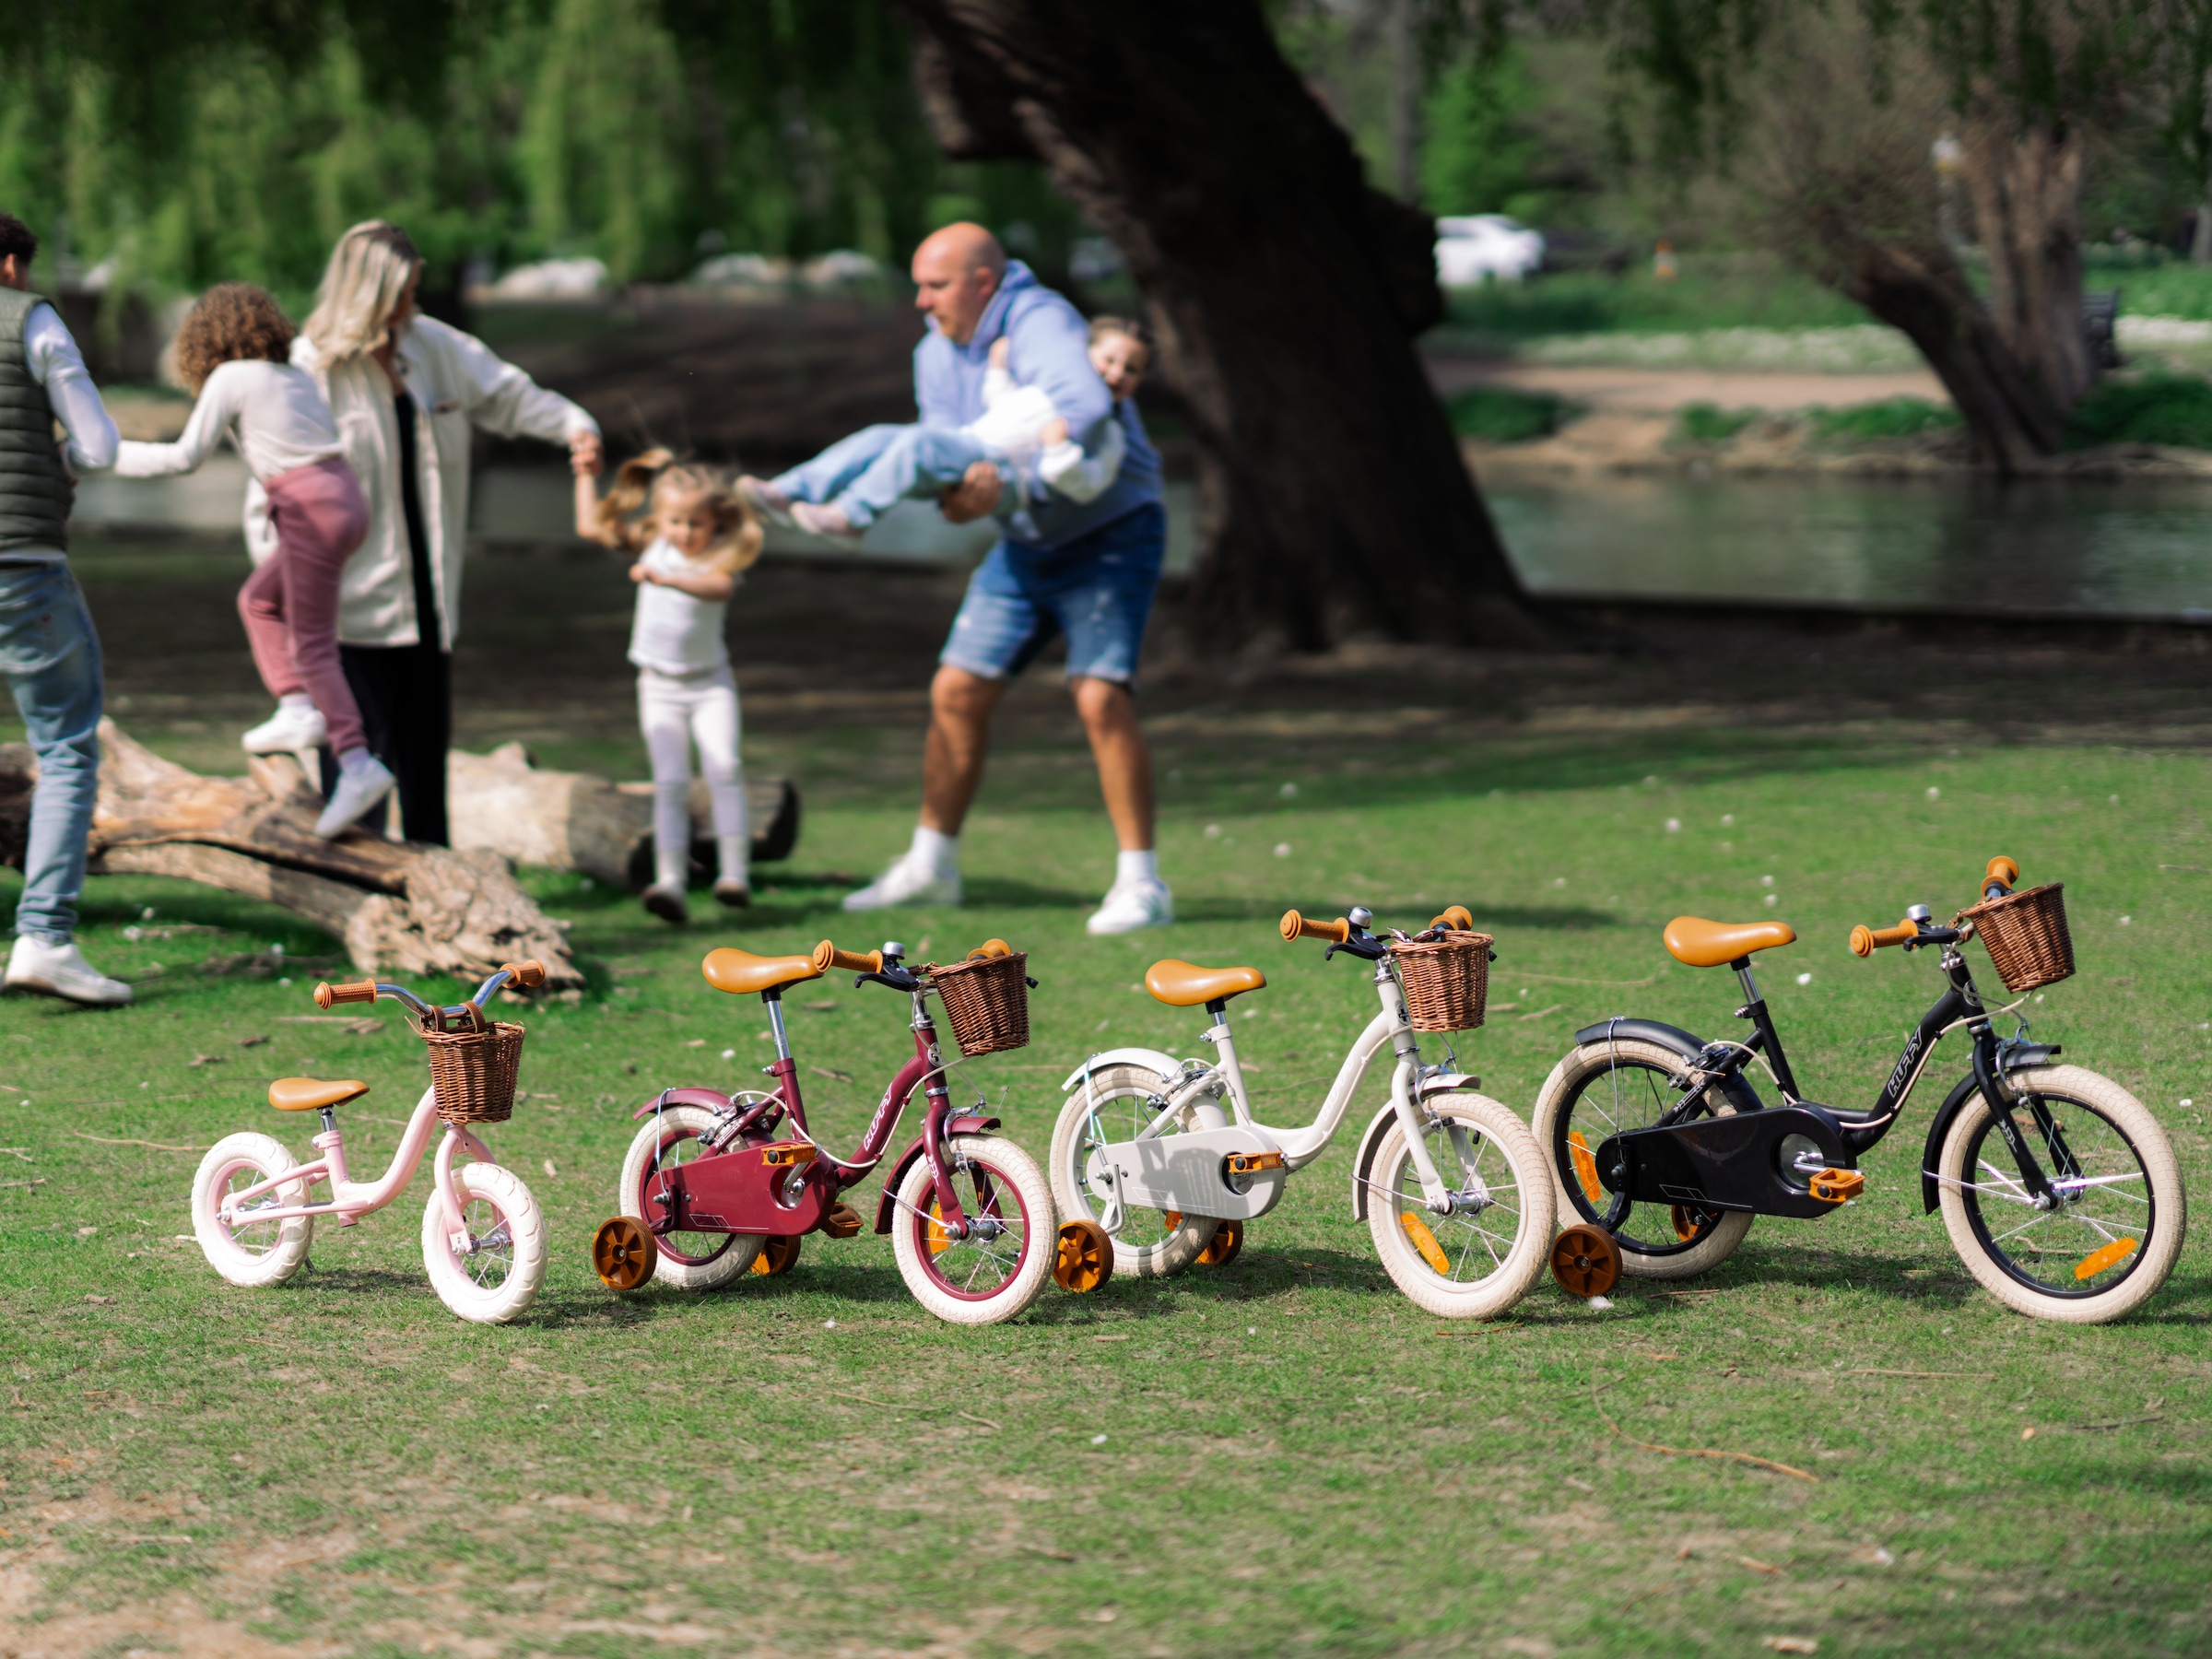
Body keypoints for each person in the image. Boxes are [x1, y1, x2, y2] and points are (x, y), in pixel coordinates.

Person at [841, 227, 1171, 935]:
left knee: (1099, 695)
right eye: (919, 285)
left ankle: (1143, 885)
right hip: (1027, 541)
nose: (921, 300)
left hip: (1112, 533)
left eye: (936, 285)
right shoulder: (933, 354)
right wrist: (962, 499)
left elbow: (1083, 417)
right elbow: (950, 471)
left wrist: (1009, 481)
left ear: (983, 282)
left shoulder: (1042, 321)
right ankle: (933, 867)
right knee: (956, 690)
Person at [249, 221, 601, 844]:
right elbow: (269, 499)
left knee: (424, 773)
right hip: (345, 611)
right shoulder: (308, 371)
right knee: (357, 773)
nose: (410, 306)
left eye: (414, 291)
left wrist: (575, 425)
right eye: (400, 294)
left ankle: (436, 883)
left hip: (427, 605)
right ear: (365, 293)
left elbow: (510, 395)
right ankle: (357, 889)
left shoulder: (436, 347)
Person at [109, 283, 393, 839]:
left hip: (309, 507)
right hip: (344, 499)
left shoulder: (232, 377)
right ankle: (296, 708)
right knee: (260, 601)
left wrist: (102, 456)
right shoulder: (293, 375)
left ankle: (357, 763)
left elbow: (185, 457)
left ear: (205, 338)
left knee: (313, 644)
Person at [0, 213, 128, 1005]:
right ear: (11, 266)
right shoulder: (31, 320)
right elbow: (100, 445)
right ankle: (44, 937)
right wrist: (64, 459)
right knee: (67, 748)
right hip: (21, 568)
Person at [574, 447, 761, 924]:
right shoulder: (653, 541)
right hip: (657, 687)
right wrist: (584, 475)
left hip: (710, 686)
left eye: (695, 523)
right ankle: (670, 882)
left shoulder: (719, 558)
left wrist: (669, 578)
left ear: (716, 522)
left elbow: (719, 588)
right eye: (675, 521)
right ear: (660, 518)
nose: (684, 532)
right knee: (671, 782)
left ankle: (734, 876)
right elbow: (590, 526)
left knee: (726, 767)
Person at [742, 328, 1141, 544]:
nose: (1117, 373)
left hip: (1009, 479)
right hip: (972, 447)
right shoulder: (1046, 391)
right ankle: (788, 491)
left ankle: (852, 516)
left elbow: (1087, 487)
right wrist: (999, 372)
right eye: (1108, 359)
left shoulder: (1108, 433)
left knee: (921, 442)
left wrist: (1059, 451)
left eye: (1131, 369)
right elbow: (1001, 408)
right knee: (881, 437)